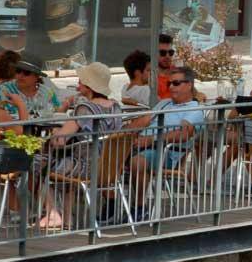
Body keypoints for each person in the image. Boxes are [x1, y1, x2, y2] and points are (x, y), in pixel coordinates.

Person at [38, 61, 122, 228]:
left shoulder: (84, 108)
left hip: (86, 168)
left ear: (89, 87)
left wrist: (55, 130)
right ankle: (67, 218)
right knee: (66, 160)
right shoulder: (116, 107)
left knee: (35, 162)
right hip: (111, 168)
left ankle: (53, 213)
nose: (78, 84)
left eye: (81, 81)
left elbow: (59, 141)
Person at [128, 66, 208, 210]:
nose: (171, 87)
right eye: (169, 83)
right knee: (102, 155)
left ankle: (139, 207)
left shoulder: (194, 109)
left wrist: (151, 139)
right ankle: (110, 203)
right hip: (139, 145)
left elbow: (183, 134)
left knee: (137, 162)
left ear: (189, 85)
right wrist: (122, 133)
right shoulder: (164, 103)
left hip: (166, 152)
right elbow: (144, 120)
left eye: (176, 83)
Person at [0, 57, 63, 121]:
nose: (20, 76)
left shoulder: (48, 93)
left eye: (26, 73)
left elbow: (57, 114)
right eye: (18, 71)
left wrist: (66, 104)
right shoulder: (3, 90)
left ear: (37, 76)